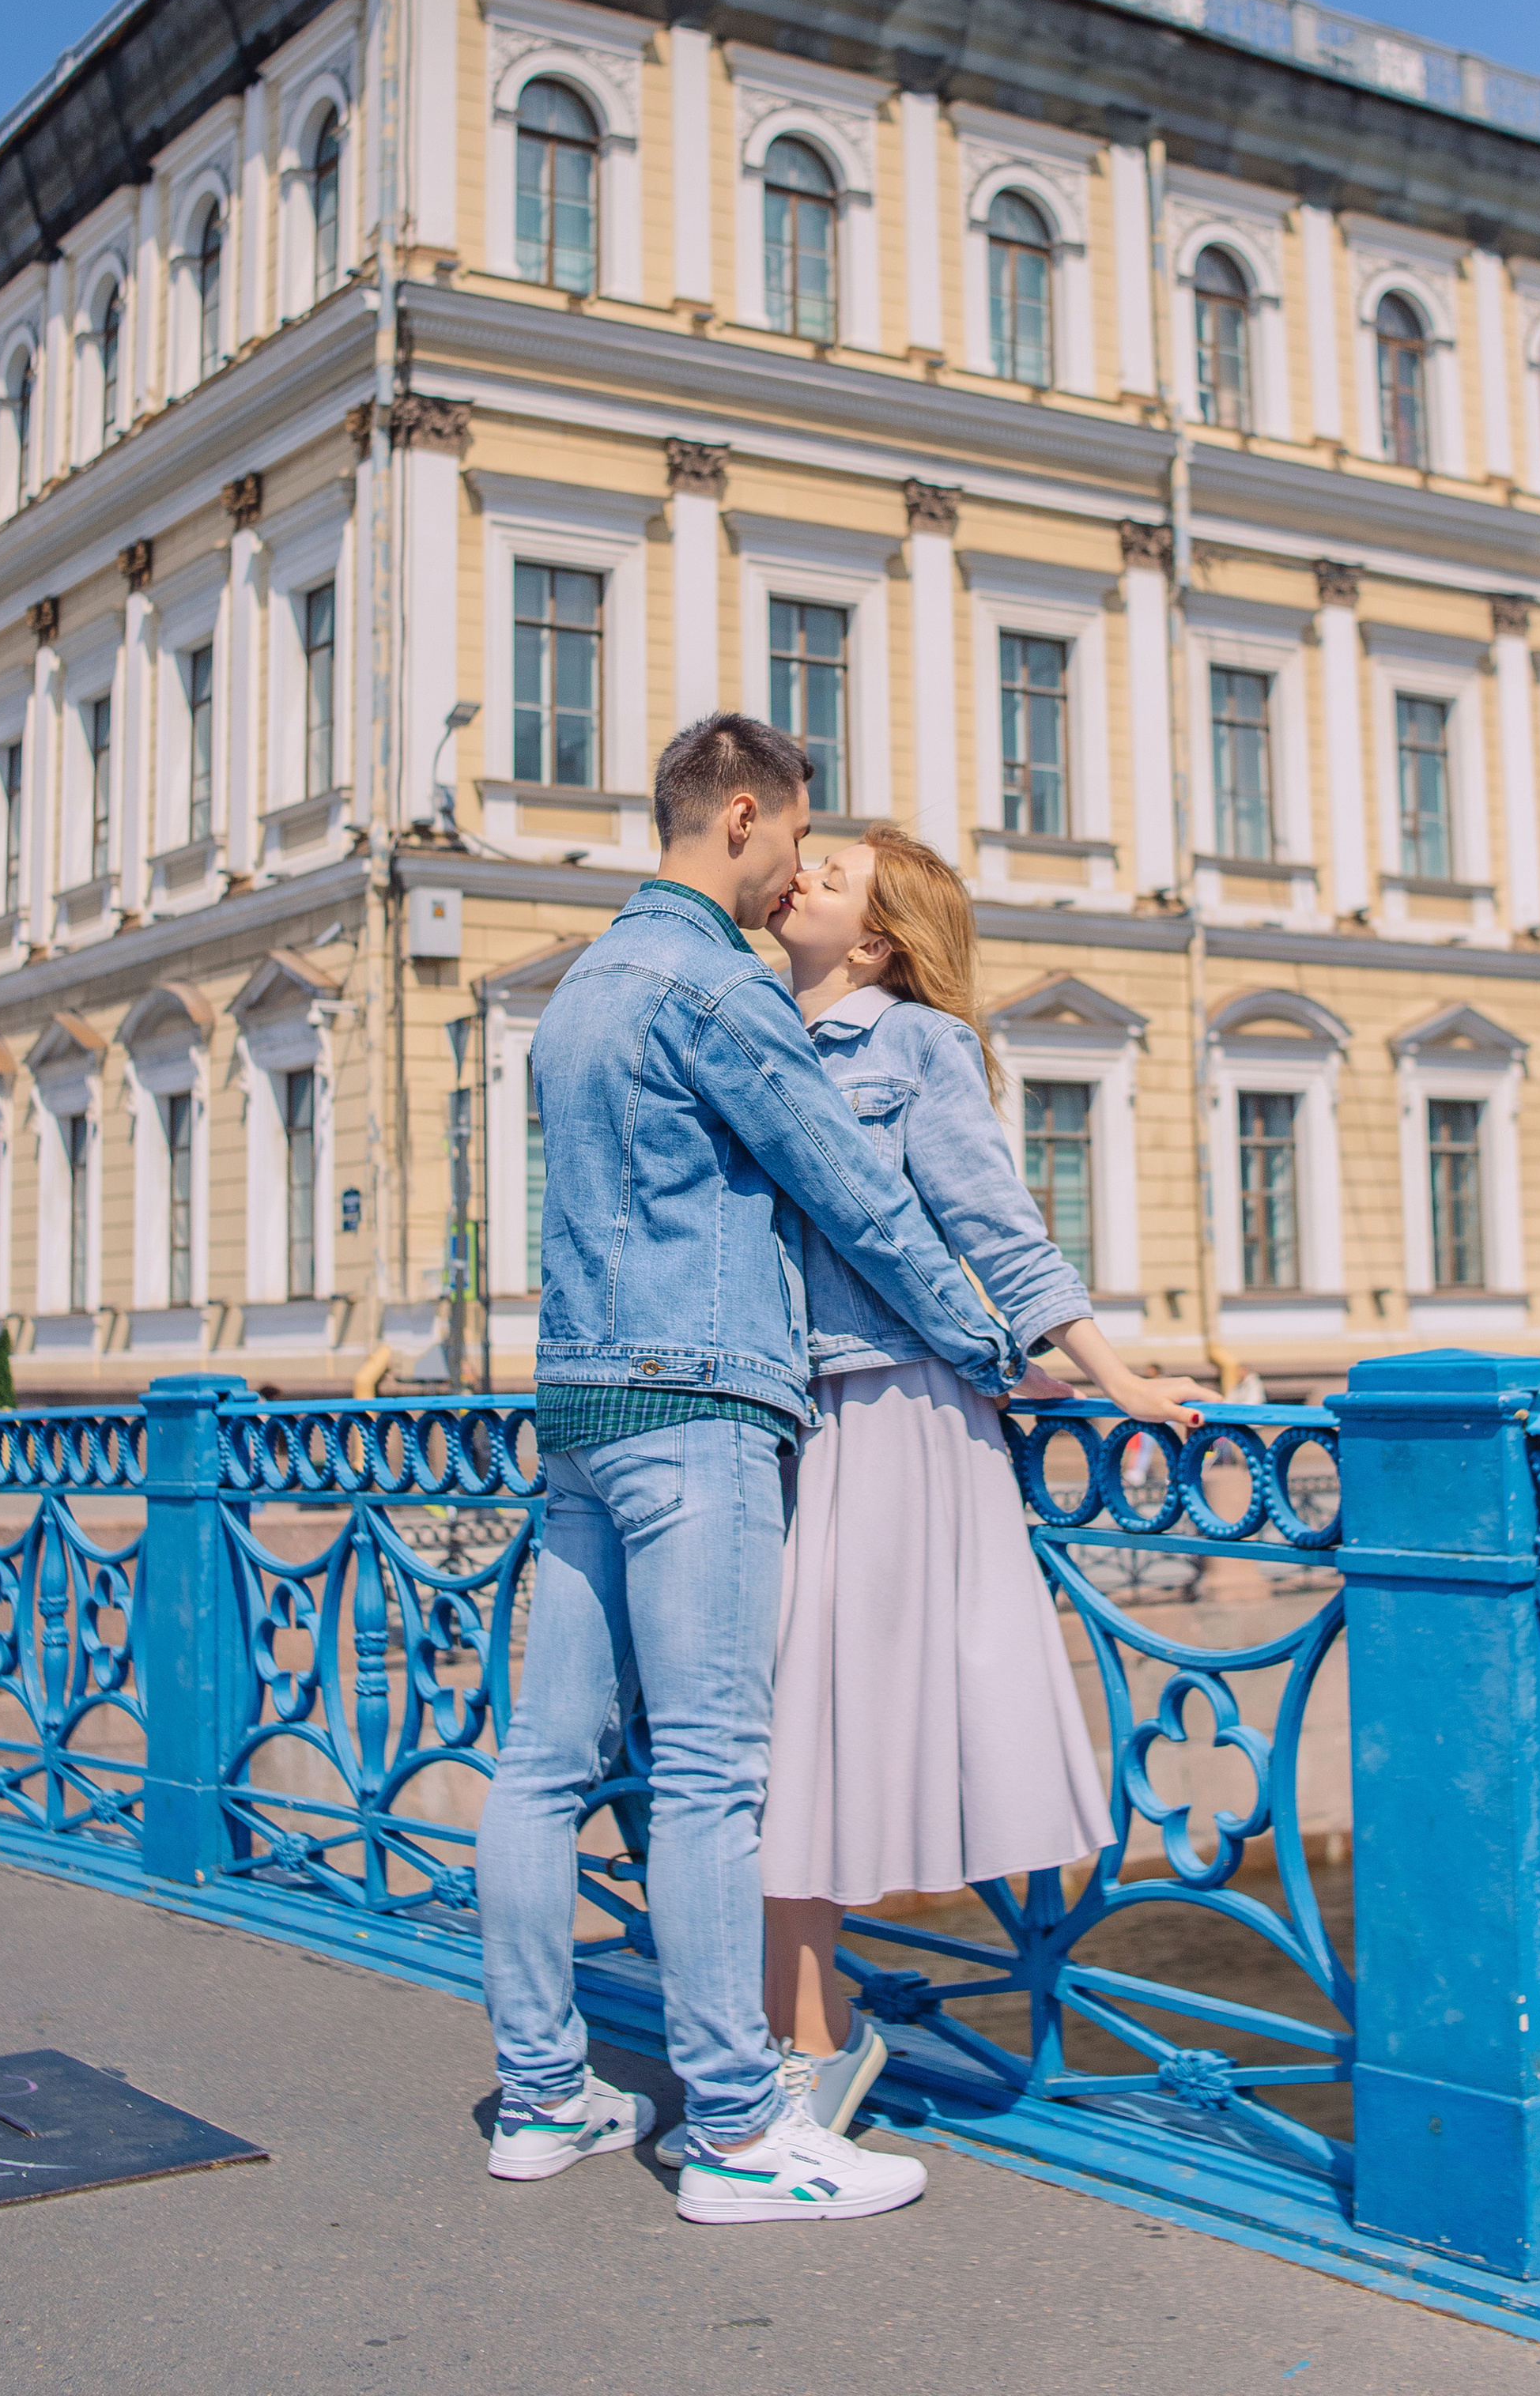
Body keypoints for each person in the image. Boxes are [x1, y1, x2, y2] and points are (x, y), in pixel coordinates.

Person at [476, 718, 1027, 2228]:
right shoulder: (716, 985)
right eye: (793, 836)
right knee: (716, 1773)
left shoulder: (584, 984)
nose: (796, 870)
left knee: (544, 1767)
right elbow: (852, 1193)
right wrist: (987, 1342)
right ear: (739, 817)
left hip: (576, 1405)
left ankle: (541, 2098)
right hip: (700, 1403)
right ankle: (734, 2133)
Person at [713, 827, 1201, 2140]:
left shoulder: (915, 1049)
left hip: (889, 1411)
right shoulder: (747, 1024)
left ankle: (805, 2045)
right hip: (774, 1408)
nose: (800, 875)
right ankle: (800, 2032)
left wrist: (1107, 1373)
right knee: (772, 1738)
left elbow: (995, 1222)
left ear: (875, 942)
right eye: (803, 861)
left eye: (829, 875)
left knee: (804, 1733)